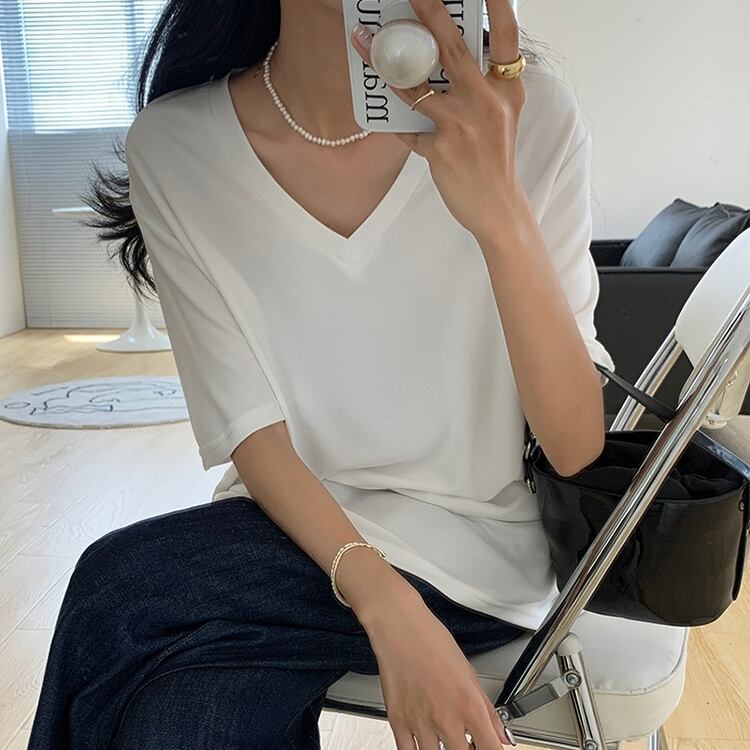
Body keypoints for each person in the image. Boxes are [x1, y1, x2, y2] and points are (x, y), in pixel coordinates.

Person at [28, 1, 615, 748]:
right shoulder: (176, 146)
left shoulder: (524, 115)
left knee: (118, 584)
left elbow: (573, 444)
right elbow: (251, 430)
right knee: (177, 720)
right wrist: (386, 605)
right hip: (285, 532)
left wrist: (499, 212)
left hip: (477, 561)